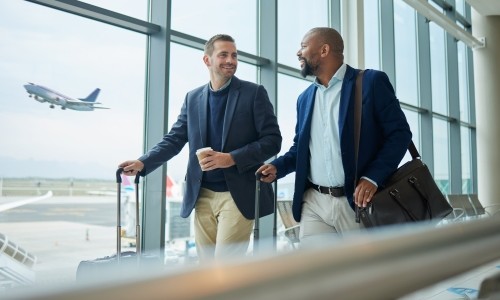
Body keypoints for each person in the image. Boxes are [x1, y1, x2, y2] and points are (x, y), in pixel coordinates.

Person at [119, 34, 282, 261]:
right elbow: (174, 139)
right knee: (206, 269)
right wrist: (143, 162)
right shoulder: (193, 98)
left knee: (225, 269)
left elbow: (273, 140)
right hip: (202, 194)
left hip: (238, 195)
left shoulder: (253, 93)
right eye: (223, 54)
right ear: (207, 60)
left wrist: (232, 158)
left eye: (234, 55)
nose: (231, 60)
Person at [257, 27, 412, 246]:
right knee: (318, 275)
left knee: (362, 275)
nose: (298, 53)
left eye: (303, 46)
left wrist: (372, 177)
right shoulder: (305, 98)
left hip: (357, 203)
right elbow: (300, 148)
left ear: (324, 50)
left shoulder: (370, 82)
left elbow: (399, 134)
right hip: (315, 203)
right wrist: (278, 168)